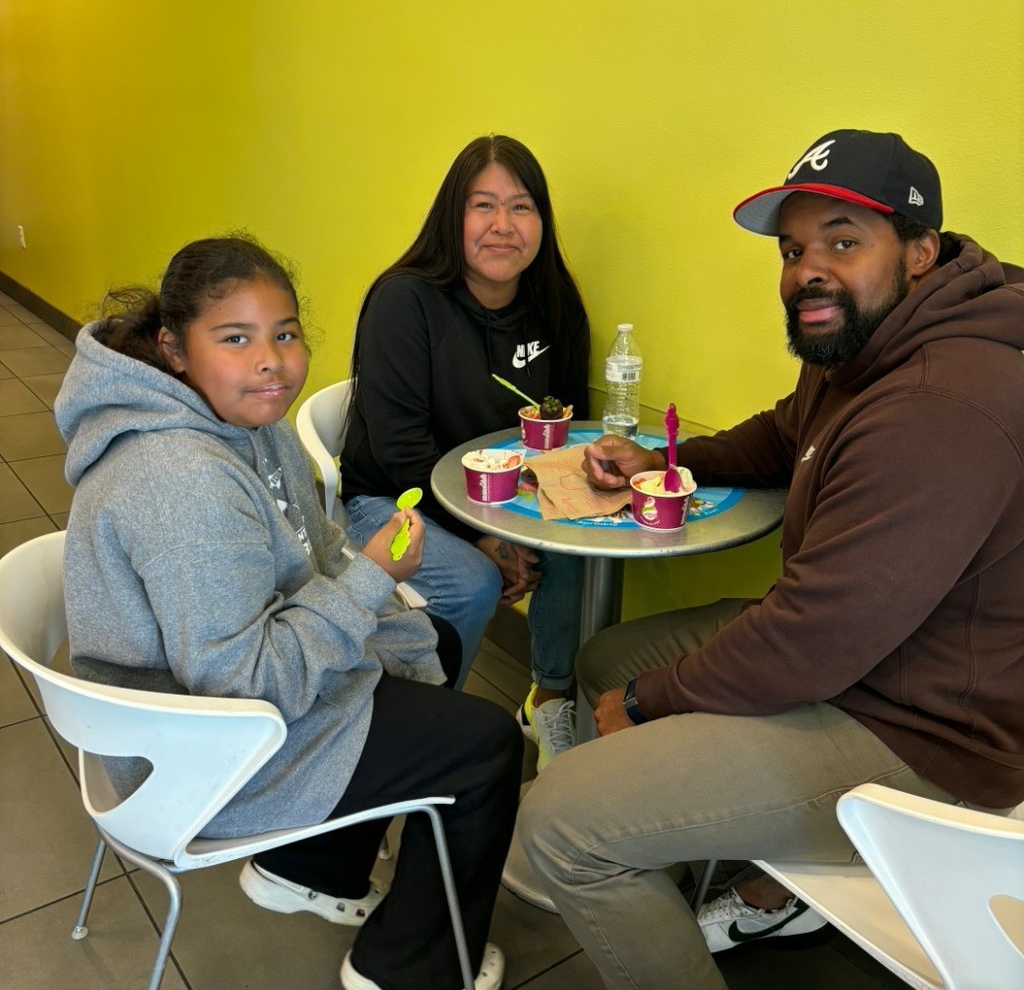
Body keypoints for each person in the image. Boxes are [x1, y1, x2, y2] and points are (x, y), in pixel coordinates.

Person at [517, 129, 1024, 989]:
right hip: (865, 665)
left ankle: (629, 857)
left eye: (842, 241)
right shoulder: (868, 348)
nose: (806, 270)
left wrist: (649, 703)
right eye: (794, 250)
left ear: (922, 252)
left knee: (563, 825)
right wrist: (667, 461)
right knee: (606, 655)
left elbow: (812, 639)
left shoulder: (940, 402)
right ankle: (694, 870)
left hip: (925, 731)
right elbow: (785, 431)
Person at [54, 235, 523, 990]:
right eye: (235, 338)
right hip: (198, 748)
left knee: (427, 639)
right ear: (174, 349)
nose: (271, 360)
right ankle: (410, 967)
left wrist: (381, 608)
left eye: (285, 332)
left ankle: (311, 866)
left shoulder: (249, 421)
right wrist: (372, 583)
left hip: (221, 700)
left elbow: (314, 547)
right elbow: (241, 683)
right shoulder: (181, 480)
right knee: (489, 746)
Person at [340, 134, 591, 768]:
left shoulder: (554, 304)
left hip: (506, 499)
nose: (503, 226)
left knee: (577, 544)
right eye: (484, 206)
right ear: (453, 217)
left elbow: (569, 423)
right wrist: (483, 538)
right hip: (392, 502)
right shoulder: (405, 302)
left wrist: (534, 517)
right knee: (472, 582)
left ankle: (548, 701)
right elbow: (399, 454)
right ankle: (415, 741)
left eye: (522, 206)